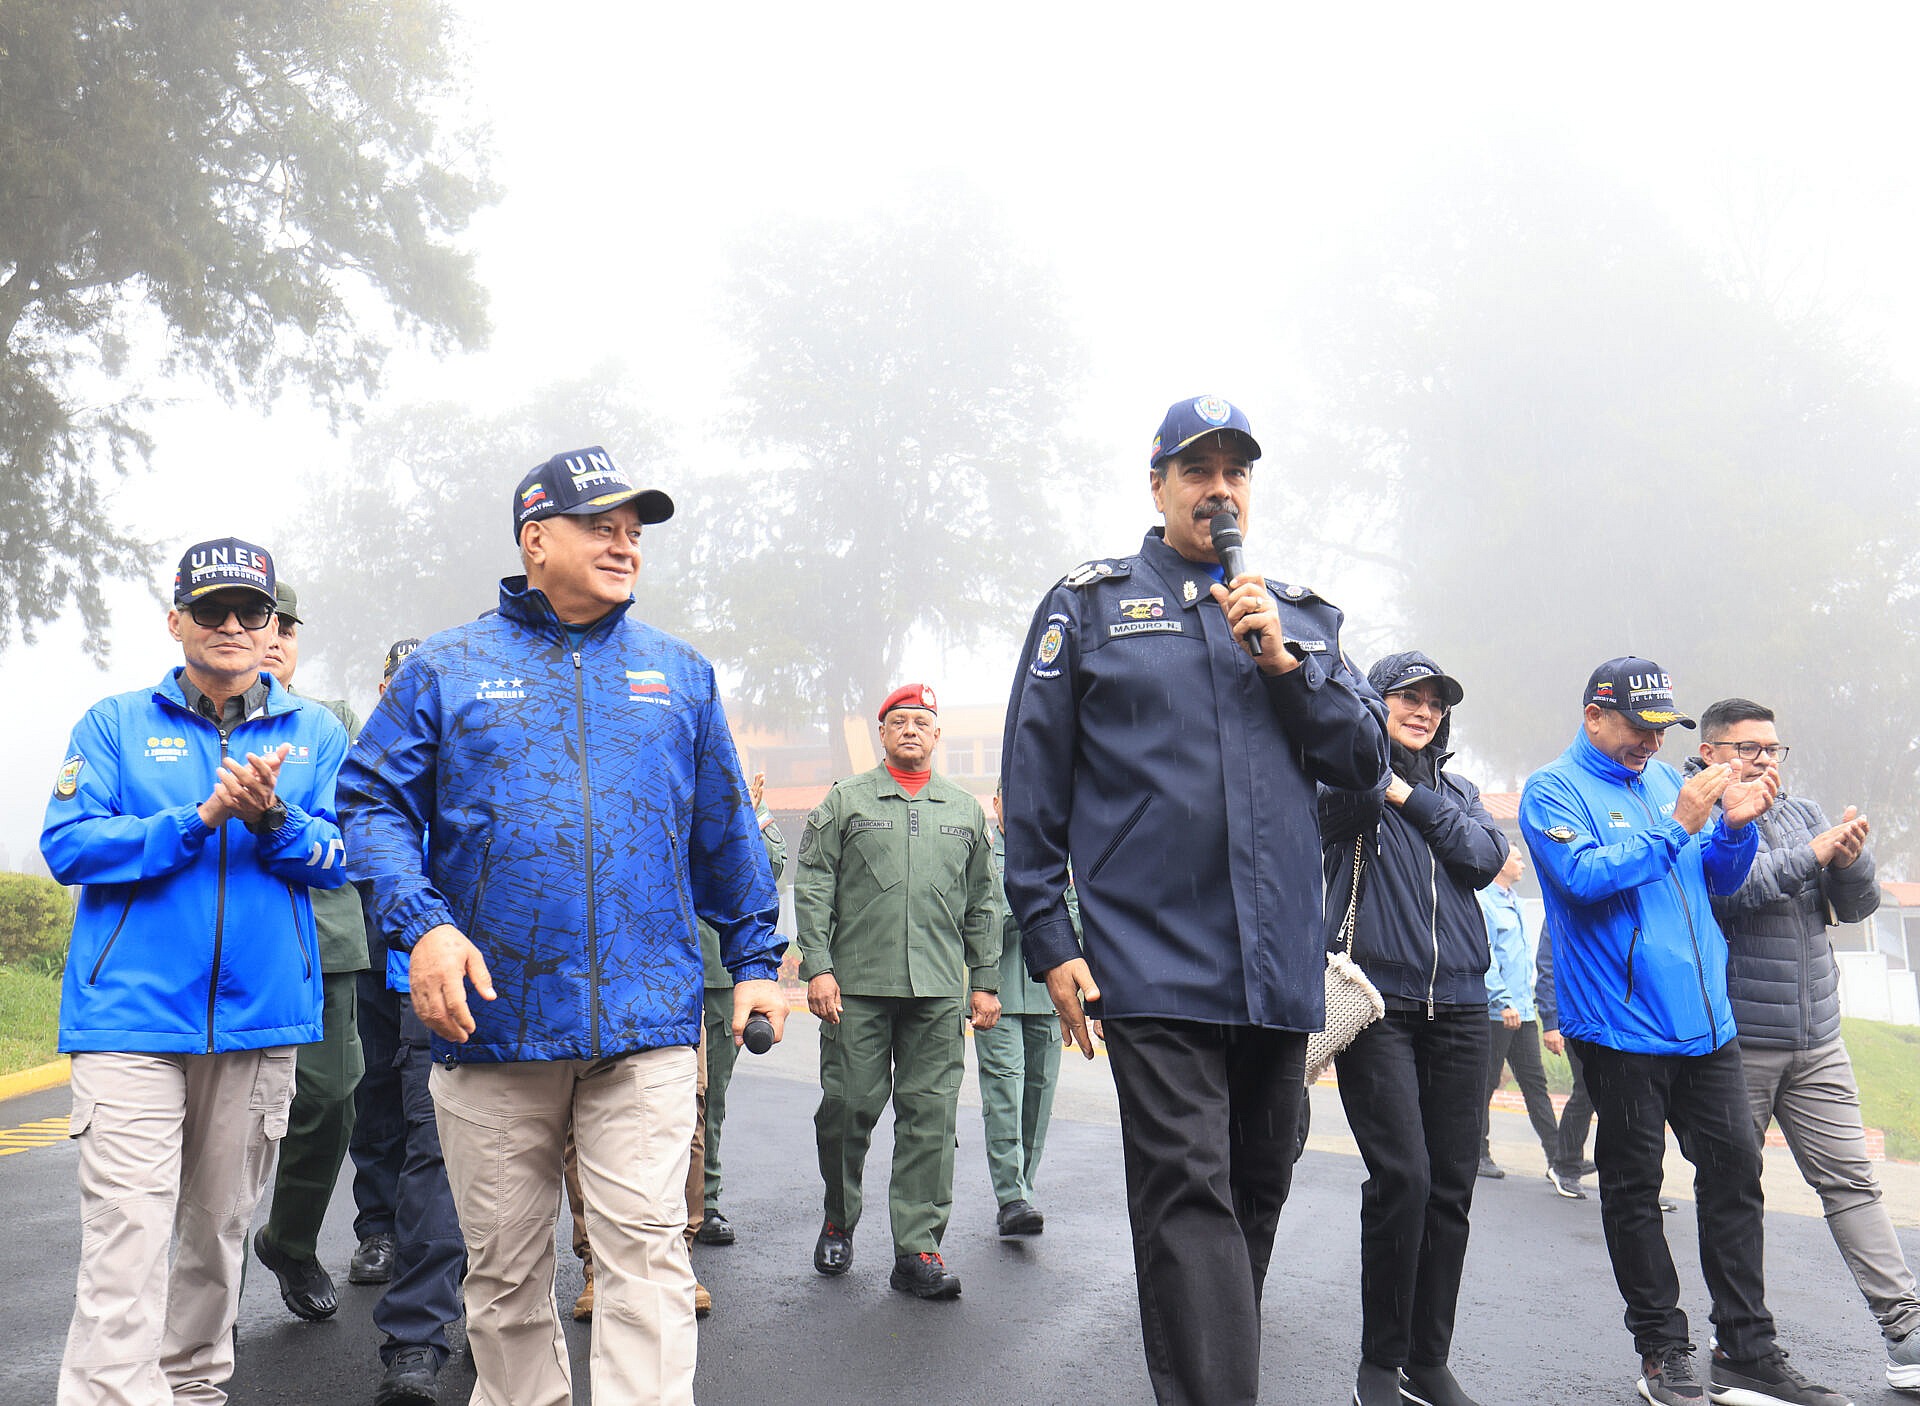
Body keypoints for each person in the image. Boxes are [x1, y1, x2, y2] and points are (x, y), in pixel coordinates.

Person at [338, 446, 788, 1406]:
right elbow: (371, 804)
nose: (625, 545)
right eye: (601, 527)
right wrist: (422, 925)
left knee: (649, 1261)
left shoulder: (679, 673)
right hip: (491, 1023)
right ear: (535, 539)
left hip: (644, 1025)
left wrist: (756, 955)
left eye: (633, 531)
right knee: (503, 1277)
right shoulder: (446, 668)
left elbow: (724, 828)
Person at [1001, 395, 1387, 1405]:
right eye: (1198, 470)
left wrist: (1283, 663)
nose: (1220, 489)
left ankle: (1209, 1380)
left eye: (1236, 472)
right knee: (1188, 1192)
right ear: (1159, 484)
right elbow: (1033, 785)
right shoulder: (1089, 607)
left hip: (1278, 964)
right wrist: (1049, 933)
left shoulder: (1301, 617)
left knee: (1254, 1190)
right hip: (1152, 956)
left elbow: (1364, 760)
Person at [42, 537, 348, 1406]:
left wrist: (273, 818)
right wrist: (201, 816)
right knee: (127, 1241)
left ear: (272, 626)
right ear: (176, 620)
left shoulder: (316, 732)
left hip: (259, 1021)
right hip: (128, 1021)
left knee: (216, 1239)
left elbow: (340, 856)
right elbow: (68, 845)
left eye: (251, 610)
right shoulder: (112, 724)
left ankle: (193, 1393)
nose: (232, 625)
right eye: (211, 608)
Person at [1519, 657, 1845, 1406]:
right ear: (1594, 715)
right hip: (1620, 1027)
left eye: (1662, 729)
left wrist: (1733, 831)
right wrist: (1680, 824)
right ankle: (1663, 1350)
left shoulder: (1670, 782)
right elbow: (1584, 878)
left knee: (1736, 1178)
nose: (1651, 743)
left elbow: (1719, 880)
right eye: (1639, 727)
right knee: (1634, 1190)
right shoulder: (1552, 789)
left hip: (1707, 1025)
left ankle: (1746, 1348)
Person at [1689, 698, 1920, 1391]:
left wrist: (1849, 859)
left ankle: (1905, 1330)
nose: (1764, 759)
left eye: (1772, 748)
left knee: (1852, 1182)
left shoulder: (1805, 812)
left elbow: (1854, 907)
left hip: (1817, 1036)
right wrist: (1813, 854)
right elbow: (1731, 894)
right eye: (1748, 748)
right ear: (1709, 752)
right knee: (1733, 1190)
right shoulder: (1694, 815)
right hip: (1737, 1042)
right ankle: (1737, 1334)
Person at [1319, 652, 1506, 1406]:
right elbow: (1335, 813)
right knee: (1404, 1179)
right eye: (1407, 697)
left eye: (1435, 702)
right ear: (1376, 704)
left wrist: (1413, 795)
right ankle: (1380, 1361)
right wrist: (1383, 778)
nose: (1424, 711)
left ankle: (1428, 1362)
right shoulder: (1347, 779)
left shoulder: (1459, 793)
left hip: (1462, 1006)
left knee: (1452, 1188)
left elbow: (1485, 856)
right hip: (1377, 1004)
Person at [796, 682, 1001, 1300]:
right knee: (847, 1107)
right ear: (882, 733)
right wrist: (818, 966)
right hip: (856, 987)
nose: (911, 730)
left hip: (937, 992)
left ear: (937, 735)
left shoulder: (965, 810)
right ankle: (839, 1216)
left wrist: (984, 981)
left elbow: (983, 901)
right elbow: (814, 884)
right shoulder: (847, 801)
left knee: (931, 1119)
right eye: (899, 721)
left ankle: (918, 1249)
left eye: (921, 722)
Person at [567, 771, 784, 1322]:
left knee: (688, 1115)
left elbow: (754, 875)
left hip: (674, 977)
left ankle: (677, 1257)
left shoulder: (701, 778)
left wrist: (748, 814)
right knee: (578, 1122)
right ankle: (597, 1265)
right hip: (589, 970)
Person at [339, 637, 466, 1406]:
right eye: (397, 678)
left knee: (436, 1132)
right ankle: (380, 1238)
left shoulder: (471, 744)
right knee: (378, 1104)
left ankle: (461, 1293)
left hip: (447, 968)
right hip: (375, 953)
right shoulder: (366, 757)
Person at [250, 580, 371, 1323]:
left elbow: (356, 825)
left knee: (328, 1100)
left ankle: (289, 1239)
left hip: (323, 938)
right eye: (258, 622)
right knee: (220, 1122)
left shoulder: (333, 723)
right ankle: (206, 1294)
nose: (271, 638)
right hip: (231, 946)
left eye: (285, 628)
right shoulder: (191, 722)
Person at [976, 782, 1074, 1238]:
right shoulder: (981, 854)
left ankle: (1024, 1192)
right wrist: (1038, 912)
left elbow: (1076, 916)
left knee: (1039, 1098)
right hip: (996, 992)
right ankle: (1010, 1196)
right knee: (1004, 1096)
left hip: (1046, 997)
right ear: (996, 803)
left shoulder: (1055, 857)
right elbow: (980, 917)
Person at [697, 770, 788, 1245]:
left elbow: (769, 868)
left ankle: (705, 1200)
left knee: (710, 1097)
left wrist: (747, 815)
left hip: (716, 975)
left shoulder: (737, 806)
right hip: (655, 972)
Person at [1476, 846, 1561, 1185]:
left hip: (1523, 1011)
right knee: (1485, 1084)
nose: (1523, 863)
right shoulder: (1484, 903)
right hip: (1498, 1012)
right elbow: (1486, 958)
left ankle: (1559, 1158)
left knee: (1535, 1085)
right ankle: (1478, 1153)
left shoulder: (1516, 903)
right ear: (1500, 864)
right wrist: (1502, 1001)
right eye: (1516, 858)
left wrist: (1525, 1005)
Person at [1533, 926, 1601, 1199]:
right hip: (1576, 1017)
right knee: (1587, 1089)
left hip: (1609, 1017)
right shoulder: (1561, 911)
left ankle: (1638, 1180)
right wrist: (1551, 1022)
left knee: (1617, 1094)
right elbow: (1547, 967)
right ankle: (1565, 1165)